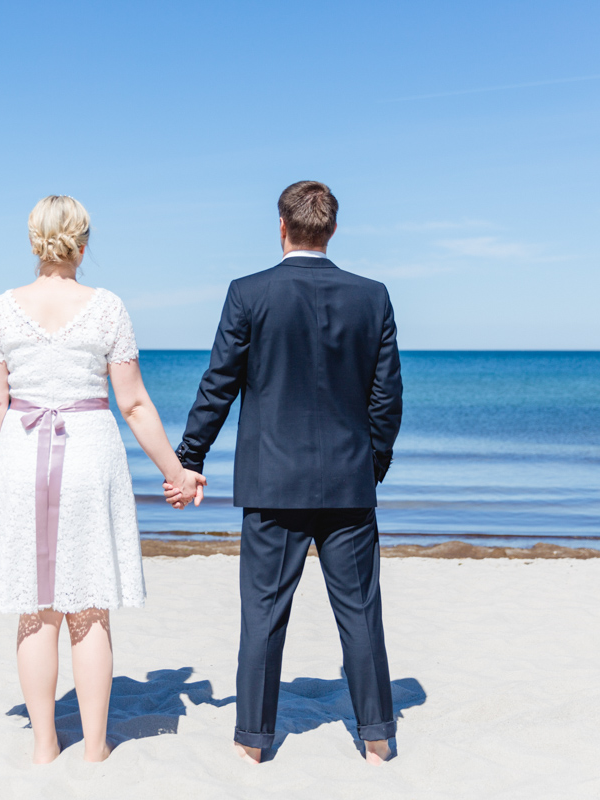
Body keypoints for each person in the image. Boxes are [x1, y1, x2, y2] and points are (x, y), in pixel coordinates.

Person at [165, 181, 403, 765]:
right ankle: (377, 740)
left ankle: (253, 743)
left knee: (264, 616)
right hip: (348, 483)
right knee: (361, 614)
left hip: (273, 484)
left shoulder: (249, 293)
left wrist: (190, 458)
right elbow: (386, 398)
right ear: (333, 229)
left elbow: (219, 383)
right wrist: (370, 465)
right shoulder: (372, 296)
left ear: (281, 226)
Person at [0, 195, 204, 764]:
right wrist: (176, 473)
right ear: (82, 243)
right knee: (90, 607)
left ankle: (45, 745)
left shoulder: (2, 308)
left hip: (24, 457)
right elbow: (135, 404)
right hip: (89, 455)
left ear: (34, 242)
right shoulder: (107, 308)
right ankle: (96, 747)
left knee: (37, 608)